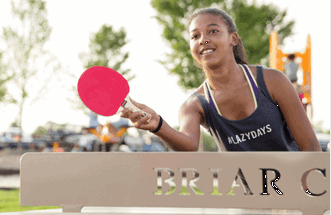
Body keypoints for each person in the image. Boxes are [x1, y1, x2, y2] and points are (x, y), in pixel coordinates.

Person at [121, 8, 321, 152]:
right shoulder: (194, 105)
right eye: (195, 36)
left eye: (213, 31)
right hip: (249, 203)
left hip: (298, 192)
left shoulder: (271, 80)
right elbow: (189, 146)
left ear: (233, 38)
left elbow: (309, 145)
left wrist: (309, 194)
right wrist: (158, 125)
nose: (203, 39)